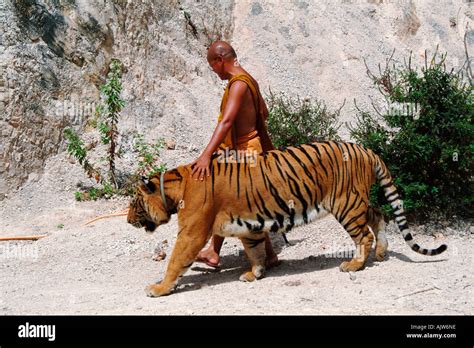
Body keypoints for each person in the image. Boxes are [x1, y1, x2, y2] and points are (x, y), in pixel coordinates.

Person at [191, 41, 279, 269]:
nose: (215, 72)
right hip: (246, 148)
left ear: (220, 60)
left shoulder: (239, 84)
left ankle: (267, 255)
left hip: (245, 151)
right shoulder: (247, 78)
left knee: (241, 204)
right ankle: (214, 251)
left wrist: (205, 155)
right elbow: (265, 112)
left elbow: (227, 120)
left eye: (213, 67)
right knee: (231, 200)